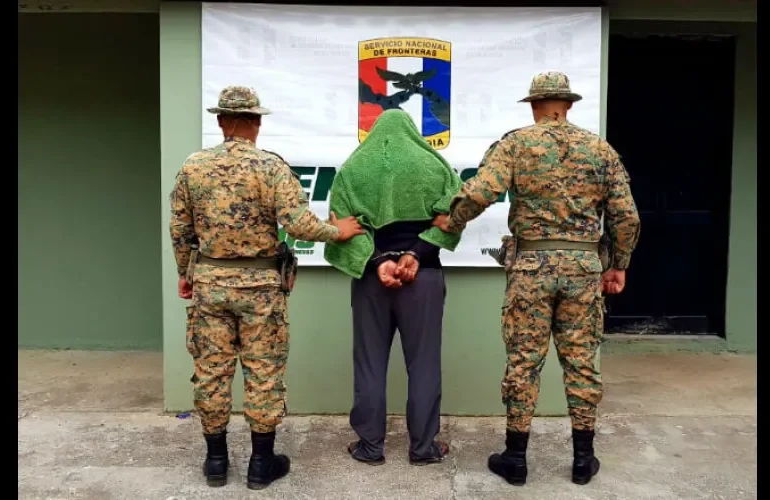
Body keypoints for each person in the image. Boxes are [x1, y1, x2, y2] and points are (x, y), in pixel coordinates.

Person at [434, 71, 640, 486]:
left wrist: (450, 221)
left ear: (533, 105)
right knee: (581, 363)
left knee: (523, 363)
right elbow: (626, 216)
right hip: (584, 271)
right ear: (569, 105)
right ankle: (583, 460)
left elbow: (479, 193)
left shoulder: (516, 144)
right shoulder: (601, 150)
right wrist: (619, 264)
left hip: (531, 269)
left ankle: (516, 458)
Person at [169, 85, 364, 490]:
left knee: (211, 372)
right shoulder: (271, 167)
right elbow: (298, 223)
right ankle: (260, 465)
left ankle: (216, 462)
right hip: (260, 288)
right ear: (256, 123)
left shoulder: (193, 167)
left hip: (210, 284)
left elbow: (180, 229)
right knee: (263, 372)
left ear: (221, 121)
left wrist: (186, 273)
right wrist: (338, 231)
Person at [323, 109, 464, 466]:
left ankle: (370, 447)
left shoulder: (353, 169)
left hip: (373, 280)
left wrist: (378, 261)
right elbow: (452, 218)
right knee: (425, 363)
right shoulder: (436, 167)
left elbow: (343, 226)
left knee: (369, 363)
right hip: (424, 277)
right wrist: (416, 254)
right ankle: (423, 449)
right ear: (413, 133)